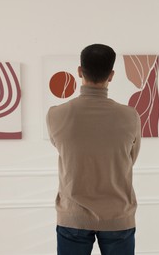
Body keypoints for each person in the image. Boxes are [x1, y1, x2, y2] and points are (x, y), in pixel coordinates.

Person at [46, 44, 141, 255]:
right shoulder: (130, 116)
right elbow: (130, 158)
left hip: (73, 216)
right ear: (112, 75)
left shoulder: (56, 115)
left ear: (79, 71)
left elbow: (62, 147)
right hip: (118, 216)